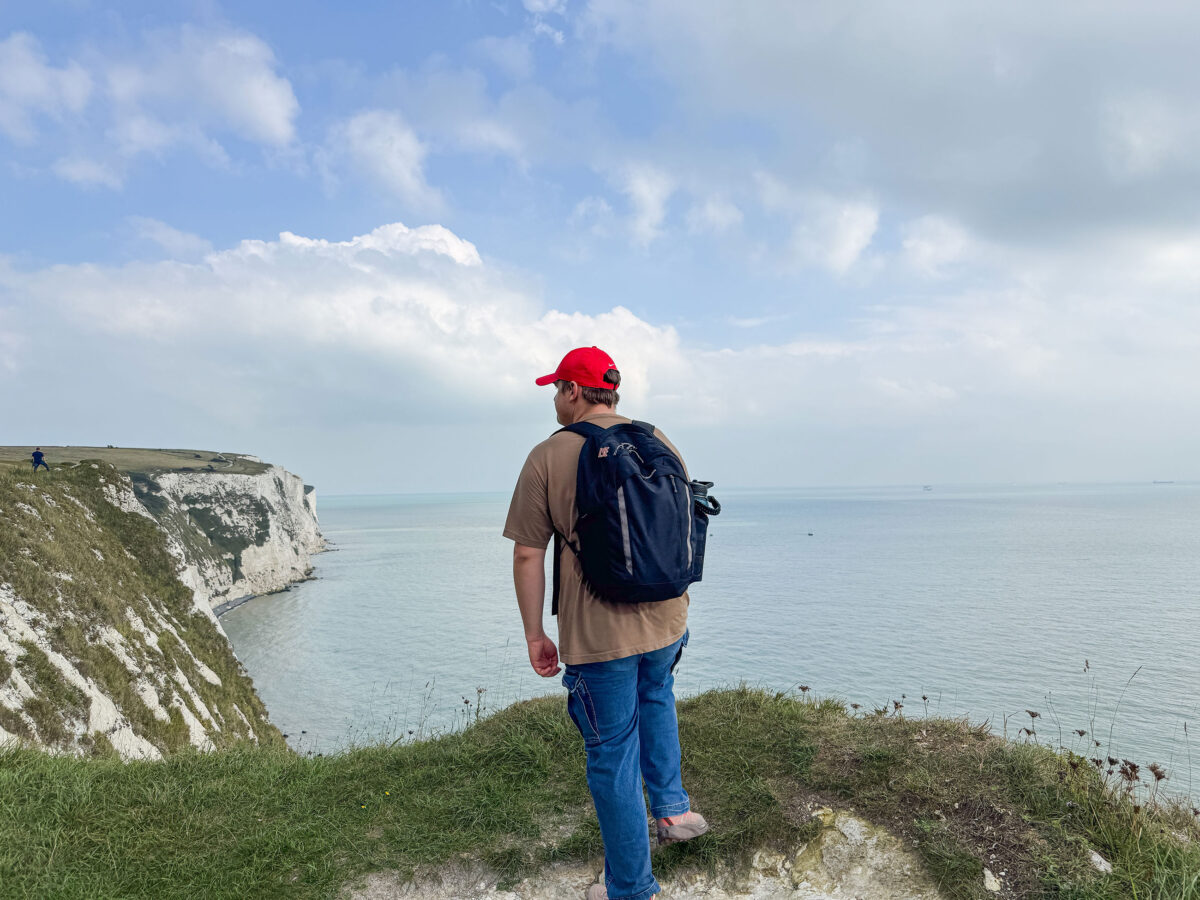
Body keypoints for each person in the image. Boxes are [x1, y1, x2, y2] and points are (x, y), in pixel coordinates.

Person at [503, 346, 708, 900]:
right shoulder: (657, 438)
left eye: (557, 388)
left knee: (611, 753)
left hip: (600, 634)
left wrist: (534, 635)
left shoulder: (549, 455)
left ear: (573, 391)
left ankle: (631, 889)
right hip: (668, 615)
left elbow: (528, 555)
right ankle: (673, 812)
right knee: (657, 696)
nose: (554, 397)